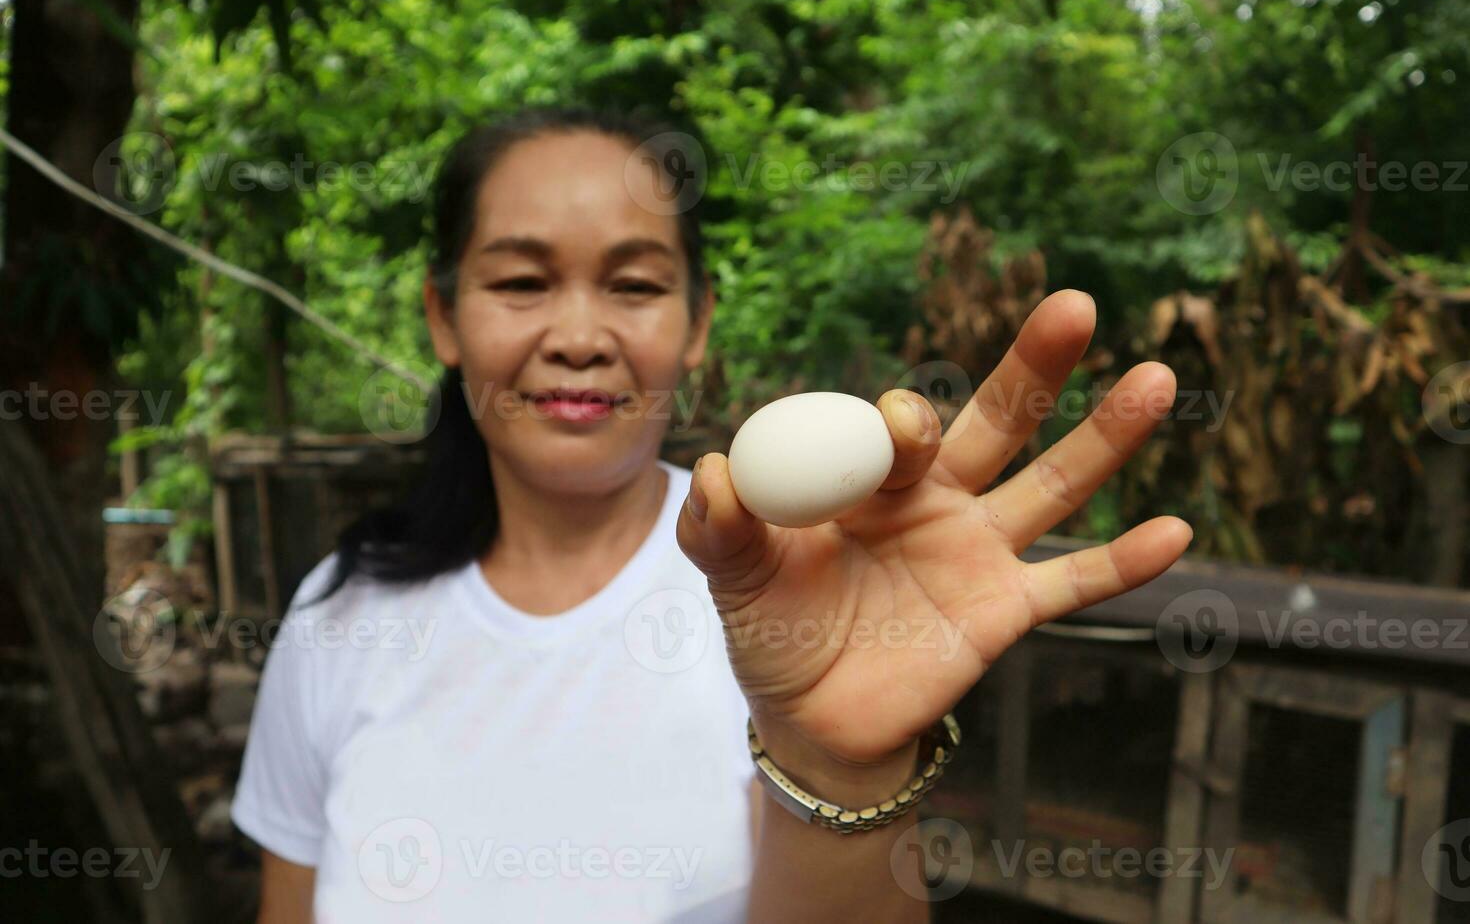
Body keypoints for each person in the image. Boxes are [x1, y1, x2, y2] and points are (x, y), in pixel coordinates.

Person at [230, 105, 1192, 923]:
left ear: (697, 323)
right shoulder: (340, 616)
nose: (577, 337)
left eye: (635, 285)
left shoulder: (802, 574)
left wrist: (834, 766)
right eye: (522, 281)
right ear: (443, 317)